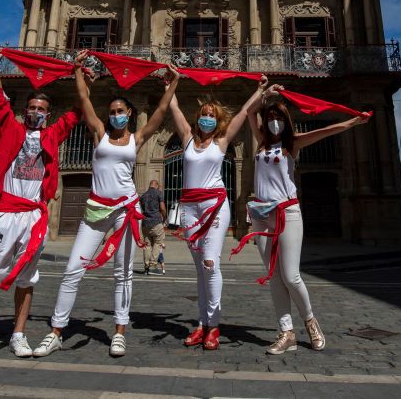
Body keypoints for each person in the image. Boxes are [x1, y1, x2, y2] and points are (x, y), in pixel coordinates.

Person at [33, 51, 180, 359]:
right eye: (112, 110)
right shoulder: (99, 133)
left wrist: (173, 82)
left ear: (130, 113)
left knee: (123, 273)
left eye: (120, 110)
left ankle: (119, 333)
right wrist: (77, 71)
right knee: (73, 269)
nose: (115, 114)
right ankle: (56, 331)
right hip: (95, 211)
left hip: (124, 213)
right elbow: (84, 101)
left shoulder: (136, 139)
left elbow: (162, 111)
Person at [0, 50, 81, 360]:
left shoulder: (52, 135)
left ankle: (18, 335)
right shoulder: (11, 127)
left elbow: (77, 110)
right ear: (25, 109)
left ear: (49, 114)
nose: (37, 112)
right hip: (7, 211)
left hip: (35, 216)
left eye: (43, 109)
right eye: (33, 107)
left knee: (26, 278)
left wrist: (78, 73)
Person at [241, 87, 369, 354]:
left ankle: (310, 321)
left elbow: (327, 131)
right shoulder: (261, 140)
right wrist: (263, 91)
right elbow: (248, 110)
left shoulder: (292, 143)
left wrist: (353, 121)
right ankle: (286, 332)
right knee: (274, 277)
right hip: (262, 214)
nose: (273, 120)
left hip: (287, 212)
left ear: (285, 121)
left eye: (278, 116)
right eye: (270, 116)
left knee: (291, 275)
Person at [168, 77, 267, 351]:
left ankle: (214, 325)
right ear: (197, 119)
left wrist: (259, 91)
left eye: (212, 116)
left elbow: (246, 112)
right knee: (200, 269)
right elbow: (173, 107)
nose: (207, 119)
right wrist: (170, 84)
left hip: (214, 206)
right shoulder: (187, 139)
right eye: (204, 115)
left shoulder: (221, 142)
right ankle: (202, 324)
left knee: (210, 263)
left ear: (218, 120)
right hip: (189, 208)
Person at [139, 180, 166, 276]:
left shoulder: (143, 195)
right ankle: (153, 266)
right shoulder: (159, 193)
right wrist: (165, 218)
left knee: (147, 244)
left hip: (145, 223)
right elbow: (162, 208)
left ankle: (146, 267)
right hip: (156, 221)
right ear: (157, 185)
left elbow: (142, 209)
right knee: (158, 242)